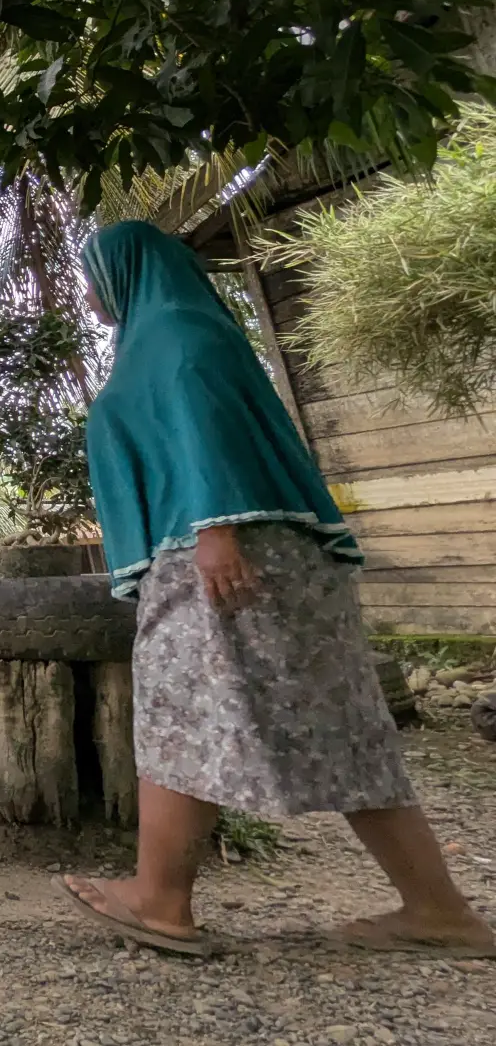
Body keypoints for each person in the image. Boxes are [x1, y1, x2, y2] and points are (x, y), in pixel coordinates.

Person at [60, 220, 493, 959]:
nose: (90, 292)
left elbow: (208, 432)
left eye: (93, 276)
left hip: (225, 555)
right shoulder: (176, 332)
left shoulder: (177, 335)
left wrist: (217, 526)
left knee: (181, 710)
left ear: (126, 270)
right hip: (256, 555)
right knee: (335, 723)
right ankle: (437, 908)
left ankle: (160, 899)